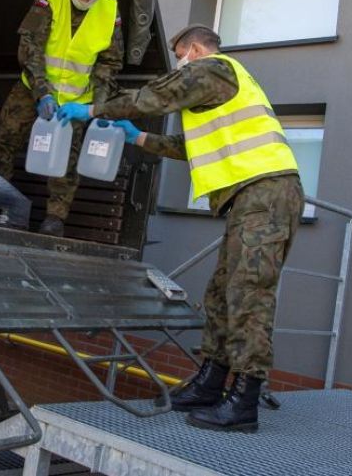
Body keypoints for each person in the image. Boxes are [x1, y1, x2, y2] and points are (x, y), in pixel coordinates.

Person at [57, 24, 303, 432]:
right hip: (251, 195)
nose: (178, 63)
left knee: (248, 291)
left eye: (179, 55)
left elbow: (157, 95)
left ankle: (244, 399)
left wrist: (94, 110)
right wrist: (138, 139)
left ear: (191, 49)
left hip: (268, 191)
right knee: (223, 291)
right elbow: (193, 148)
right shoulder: (218, 90)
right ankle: (210, 382)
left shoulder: (213, 69)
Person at [0, 0, 124, 237]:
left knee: (67, 160)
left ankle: (55, 219)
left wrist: (98, 107)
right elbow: (30, 47)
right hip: (33, 90)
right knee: (6, 140)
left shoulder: (110, 10)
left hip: (77, 101)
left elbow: (110, 63)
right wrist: (42, 92)